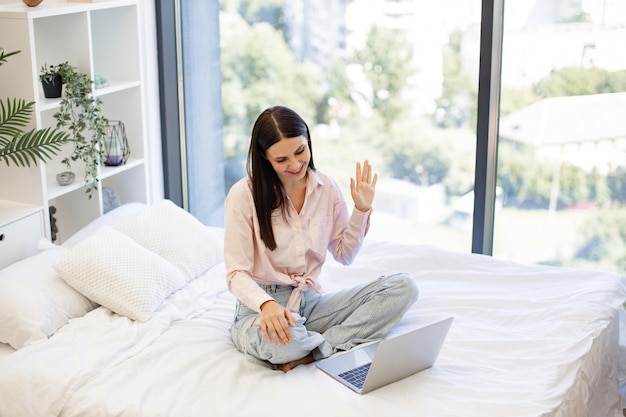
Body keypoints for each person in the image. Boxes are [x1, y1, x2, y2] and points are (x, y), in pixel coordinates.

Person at [224, 105, 418, 372]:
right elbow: (236, 273)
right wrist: (267, 305)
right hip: (261, 310)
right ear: (264, 158)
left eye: (300, 151)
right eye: (281, 160)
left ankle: (317, 350)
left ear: (308, 142)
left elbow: (345, 255)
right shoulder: (243, 195)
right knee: (286, 342)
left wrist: (361, 210)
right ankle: (313, 343)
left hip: (310, 304)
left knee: (404, 287)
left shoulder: (327, 189)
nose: (295, 165)